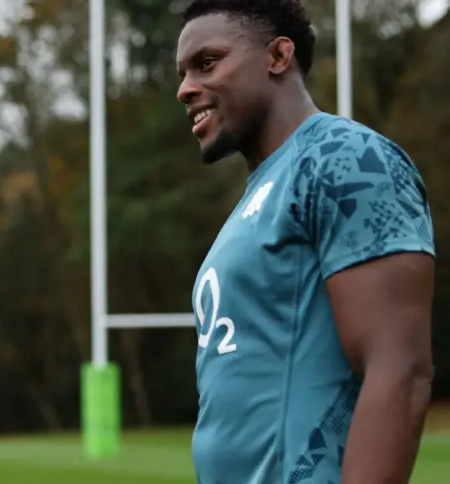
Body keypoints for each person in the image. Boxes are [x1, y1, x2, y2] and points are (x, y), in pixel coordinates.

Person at [175, 1, 435, 483]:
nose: (185, 88)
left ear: (278, 57)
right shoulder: (259, 197)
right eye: (183, 72)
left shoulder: (345, 158)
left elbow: (399, 367)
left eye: (207, 63)